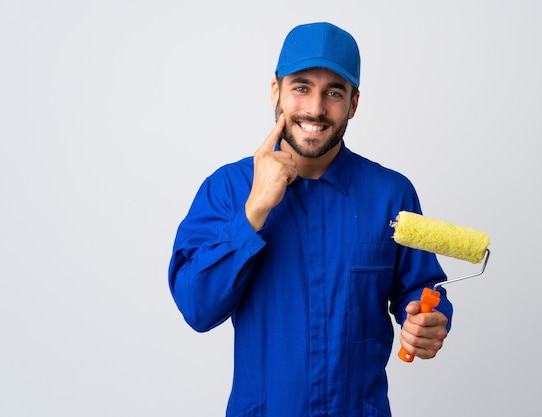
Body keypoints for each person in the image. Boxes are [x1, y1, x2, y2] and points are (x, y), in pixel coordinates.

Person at [168, 22, 452, 417]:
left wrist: (429, 319)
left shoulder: (392, 194)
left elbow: (421, 290)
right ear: (276, 92)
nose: (315, 109)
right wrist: (255, 210)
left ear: (353, 103)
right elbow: (197, 308)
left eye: (333, 93)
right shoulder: (228, 189)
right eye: (301, 87)